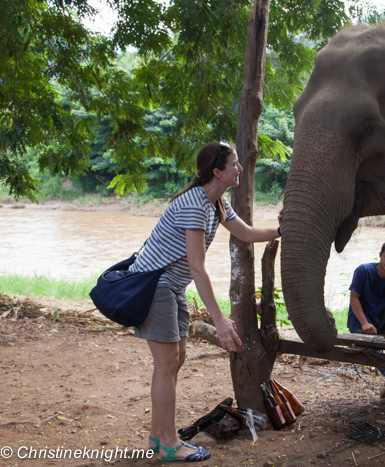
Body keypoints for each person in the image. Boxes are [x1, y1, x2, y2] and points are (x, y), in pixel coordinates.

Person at [129, 140, 281, 462]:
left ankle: (158, 438)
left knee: (177, 359)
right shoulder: (195, 204)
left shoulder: (217, 203)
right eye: (235, 164)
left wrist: (283, 230)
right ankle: (170, 445)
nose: (240, 168)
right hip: (155, 286)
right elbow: (197, 267)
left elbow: (246, 233)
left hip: (172, 288)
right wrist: (219, 320)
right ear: (217, 172)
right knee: (167, 363)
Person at [347, 241, 385, 376]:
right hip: (358, 321)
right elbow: (354, 298)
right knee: (374, 346)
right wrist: (364, 323)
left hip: (378, 325)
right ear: (380, 255)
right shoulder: (363, 271)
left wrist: (384, 330)